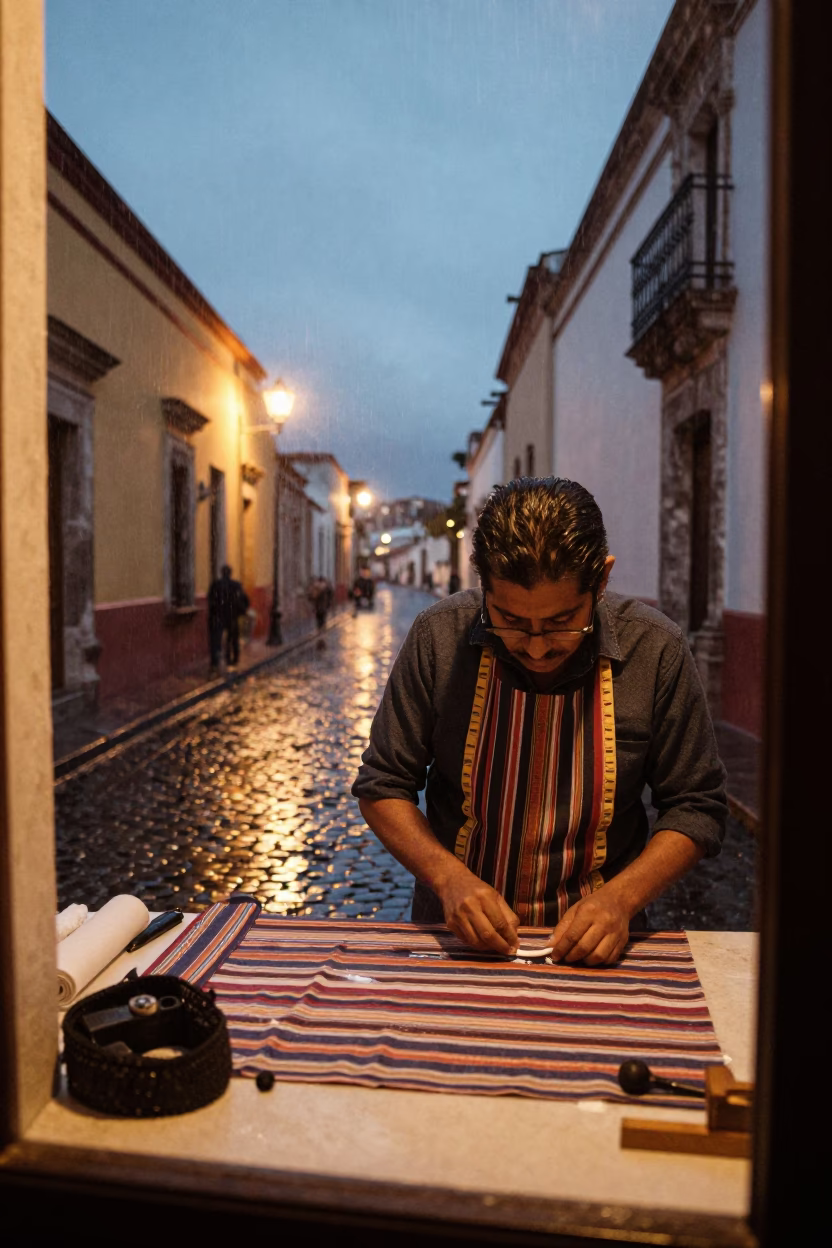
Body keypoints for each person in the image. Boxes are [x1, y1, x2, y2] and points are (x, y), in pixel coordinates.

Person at [352, 477, 727, 966]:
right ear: (482, 583)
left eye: (561, 622)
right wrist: (450, 879)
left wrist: (620, 900)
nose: (535, 646)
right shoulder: (438, 638)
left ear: (603, 580)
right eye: (508, 620)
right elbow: (383, 785)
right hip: (455, 938)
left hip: (602, 947)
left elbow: (696, 805)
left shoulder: (655, 649)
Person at [207, 564, 249, 672]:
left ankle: (215, 661)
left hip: (218, 616)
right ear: (230, 573)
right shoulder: (236, 585)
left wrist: (214, 612)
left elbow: (210, 600)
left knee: (216, 640)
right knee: (232, 639)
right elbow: (244, 599)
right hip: (231, 616)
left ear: (222, 573)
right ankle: (232, 659)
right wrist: (241, 610)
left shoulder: (216, 585)